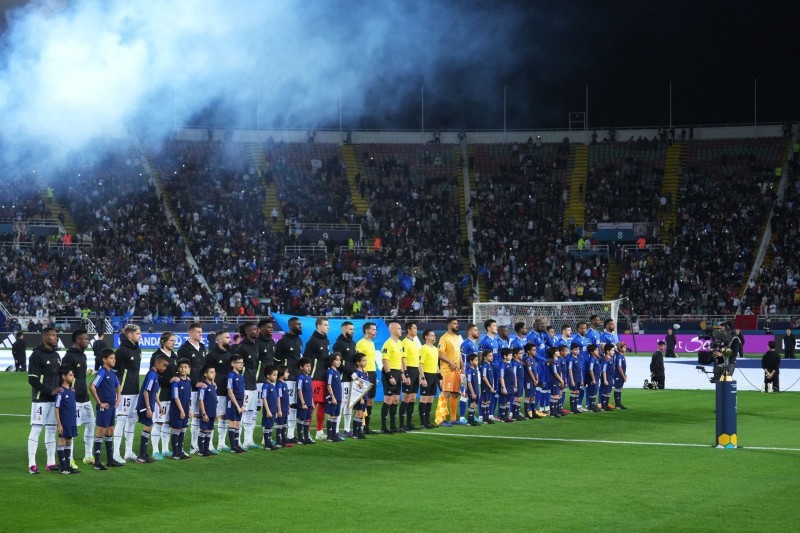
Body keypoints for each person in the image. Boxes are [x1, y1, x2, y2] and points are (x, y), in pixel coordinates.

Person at [27, 326, 62, 475]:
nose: (55, 338)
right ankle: (32, 464)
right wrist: (50, 391)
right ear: (44, 337)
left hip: (54, 400)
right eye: (53, 335)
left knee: (51, 430)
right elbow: (32, 379)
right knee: (36, 429)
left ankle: (51, 462)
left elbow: (59, 377)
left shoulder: (56, 355)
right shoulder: (36, 355)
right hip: (40, 399)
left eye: (56, 335)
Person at [61, 329, 95, 466]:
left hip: (84, 396)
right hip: (73, 398)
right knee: (71, 429)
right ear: (77, 340)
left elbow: (77, 375)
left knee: (91, 424)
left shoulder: (83, 355)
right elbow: (64, 376)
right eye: (85, 339)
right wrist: (69, 393)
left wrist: (85, 373)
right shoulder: (69, 356)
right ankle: (69, 458)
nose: (88, 341)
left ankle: (88, 456)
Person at [112, 323, 142, 464]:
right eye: (138, 333)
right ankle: (115, 453)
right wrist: (117, 392)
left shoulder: (137, 349)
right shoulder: (121, 351)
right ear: (130, 335)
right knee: (121, 421)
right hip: (123, 392)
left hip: (134, 390)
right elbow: (113, 372)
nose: (140, 336)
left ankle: (128, 451)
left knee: (131, 421)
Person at [89, 348, 122, 470]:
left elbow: (118, 385)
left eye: (114, 358)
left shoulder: (112, 372)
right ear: (104, 359)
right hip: (105, 407)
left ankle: (110, 460)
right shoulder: (102, 372)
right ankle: (97, 463)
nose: (114, 360)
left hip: (112, 406)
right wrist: (99, 403)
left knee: (110, 431)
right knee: (101, 431)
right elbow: (92, 386)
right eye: (111, 358)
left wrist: (118, 399)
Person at [178, 322, 207, 455]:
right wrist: (195, 383)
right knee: (190, 416)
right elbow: (183, 370)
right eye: (198, 332)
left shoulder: (202, 347)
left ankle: (196, 444)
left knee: (199, 416)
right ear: (190, 333)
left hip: (202, 386)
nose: (201, 334)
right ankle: (184, 446)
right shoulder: (184, 349)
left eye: (201, 332)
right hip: (190, 387)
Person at [135, 354, 169, 463]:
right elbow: (146, 392)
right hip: (145, 406)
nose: (165, 368)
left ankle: (143, 454)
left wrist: (159, 405)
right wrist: (148, 408)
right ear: (157, 363)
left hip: (149, 405)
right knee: (148, 427)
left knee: (148, 427)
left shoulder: (155, 375)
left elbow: (154, 393)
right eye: (164, 365)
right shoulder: (152, 375)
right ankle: (142, 456)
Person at [274, 317, 303, 442]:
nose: (300, 326)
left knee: (295, 406)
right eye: (298, 324)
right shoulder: (283, 341)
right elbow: (276, 360)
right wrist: (280, 376)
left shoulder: (299, 340)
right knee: (287, 406)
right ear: (291, 326)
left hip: (297, 377)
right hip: (287, 379)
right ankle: (282, 434)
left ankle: (290, 434)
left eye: (300, 324)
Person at [150, 332, 178, 459]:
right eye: (171, 340)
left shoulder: (174, 356)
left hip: (172, 393)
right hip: (161, 392)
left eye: (174, 340)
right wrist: (168, 380)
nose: (174, 343)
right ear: (164, 341)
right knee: (158, 421)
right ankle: (155, 450)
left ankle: (165, 449)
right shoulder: (156, 356)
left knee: (167, 422)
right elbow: (153, 374)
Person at [234, 322, 260, 449]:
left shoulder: (256, 345)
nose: (257, 331)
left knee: (251, 412)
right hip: (244, 385)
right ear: (248, 332)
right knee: (242, 413)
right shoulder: (242, 347)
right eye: (254, 329)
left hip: (254, 384)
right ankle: (237, 441)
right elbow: (236, 367)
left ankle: (248, 441)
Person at [305, 317, 331, 441]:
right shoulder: (312, 341)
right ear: (319, 326)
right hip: (314, 378)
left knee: (323, 405)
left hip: (325, 377)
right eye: (325, 325)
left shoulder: (326, 340)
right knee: (312, 405)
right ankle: (306, 432)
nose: (328, 327)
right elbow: (306, 360)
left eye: (328, 325)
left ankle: (319, 431)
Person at [436, 318, 463, 426]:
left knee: (455, 394)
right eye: (454, 323)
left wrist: (463, 366)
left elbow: (459, 354)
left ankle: (453, 419)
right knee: (446, 393)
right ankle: (440, 419)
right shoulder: (444, 338)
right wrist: (451, 363)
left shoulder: (457, 338)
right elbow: (440, 354)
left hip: (456, 370)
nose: (457, 325)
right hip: (447, 370)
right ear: (449, 325)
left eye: (457, 323)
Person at [208, 330, 231, 452]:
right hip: (215, 391)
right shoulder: (212, 354)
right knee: (213, 416)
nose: (230, 339)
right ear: (219, 340)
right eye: (227, 337)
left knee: (225, 416)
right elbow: (206, 372)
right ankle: (209, 444)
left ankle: (221, 443)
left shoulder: (230, 353)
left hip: (227, 390)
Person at [332, 321, 357, 437]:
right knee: (341, 404)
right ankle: (336, 430)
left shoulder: (353, 343)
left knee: (349, 405)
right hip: (342, 378)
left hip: (351, 378)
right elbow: (337, 363)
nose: (352, 331)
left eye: (353, 329)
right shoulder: (338, 344)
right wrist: (351, 373)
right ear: (344, 330)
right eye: (350, 329)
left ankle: (347, 430)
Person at [380, 321, 404, 433]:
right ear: (392, 330)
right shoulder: (388, 344)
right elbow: (385, 360)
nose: (401, 330)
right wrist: (390, 376)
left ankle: (393, 426)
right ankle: (384, 427)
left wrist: (402, 373)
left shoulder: (400, 343)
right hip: (389, 373)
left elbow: (401, 360)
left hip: (398, 372)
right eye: (399, 328)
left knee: (395, 400)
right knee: (388, 400)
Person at [355, 321, 379, 434]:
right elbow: (358, 361)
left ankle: (366, 427)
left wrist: (374, 375)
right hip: (364, 374)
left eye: (375, 329)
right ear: (367, 330)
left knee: (370, 400)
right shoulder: (361, 343)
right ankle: (360, 425)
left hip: (372, 373)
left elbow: (371, 360)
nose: (375, 331)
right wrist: (363, 374)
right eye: (373, 329)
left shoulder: (371, 343)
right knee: (362, 401)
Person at [54, 366, 79, 474]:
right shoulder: (61, 391)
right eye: (70, 375)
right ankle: (63, 467)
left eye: (73, 375)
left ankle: (68, 466)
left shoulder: (72, 390)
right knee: (62, 440)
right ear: (64, 376)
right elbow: (56, 408)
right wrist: (59, 424)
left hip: (72, 421)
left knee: (69, 440)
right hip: (64, 422)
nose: (73, 377)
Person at [169, 359, 192, 460]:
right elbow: (175, 397)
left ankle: (180, 451)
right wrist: (182, 410)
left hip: (186, 409)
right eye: (181, 367)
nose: (183, 369)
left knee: (183, 429)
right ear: (178, 368)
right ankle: (175, 453)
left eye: (185, 367)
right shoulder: (176, 381)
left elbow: (189, 397)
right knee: (176, 429)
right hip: (177, 410)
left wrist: (189, 409)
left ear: (189, 369)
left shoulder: (189, 381)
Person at [400, 321, 422, 431]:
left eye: (416, 328)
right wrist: (406, 374)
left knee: (413, 398)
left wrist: (420, 374)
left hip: (415, 371)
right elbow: (403, 359)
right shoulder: (404, 342)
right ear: (409, 330)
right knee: (406, 397)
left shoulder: (415, 342)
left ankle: (409, 423)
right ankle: (401, 424)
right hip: (408, 370)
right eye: (414, 328)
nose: (416, 330)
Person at [225, 354, 247, 454]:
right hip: (233, 402)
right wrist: (238, 406)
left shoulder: (241, 376)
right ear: (233, 364)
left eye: (242, 363)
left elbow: (244, 391)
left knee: (238, 423)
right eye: (239, 363)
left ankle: (237, 445)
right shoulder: (231, 375)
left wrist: (243, 405)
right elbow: (230, 391)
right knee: (233, 422)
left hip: (240, 403)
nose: (241, 365)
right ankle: (233, 447)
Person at [418, 329, 439, 429]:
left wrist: (439, 377)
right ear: (426, 337)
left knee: (430, 399)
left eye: (434, 335)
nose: (434, 337)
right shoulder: (423, 348)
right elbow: (420, 364)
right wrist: (422, 378)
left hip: (434, 376)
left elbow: (436, 364)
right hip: (426, 375)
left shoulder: (435, 349)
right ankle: (422, 422)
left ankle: (427, 421)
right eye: (432, 335)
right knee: (424, 398)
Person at [197, 365, 218, 456]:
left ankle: (206, 450)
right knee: (203, 430)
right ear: (205, 374)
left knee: (209, 431)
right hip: (206, 413)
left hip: (212, 413)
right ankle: (201, 451)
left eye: (214, 372)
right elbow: (201, 400)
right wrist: (204, 414)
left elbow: (215, 401)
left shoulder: (213, 386)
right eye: (211, 372)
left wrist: (216, 413)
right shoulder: (203, 386)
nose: (214, 374)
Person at [296, 357, 315, 445]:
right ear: (301, 367)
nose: (309, 368)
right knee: (301, 419)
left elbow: (310, 391)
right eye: (306, 366)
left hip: (309, 403)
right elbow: (299, 390)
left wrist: (312, 402)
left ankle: (307, 438)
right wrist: (303, 403)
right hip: (303, 404)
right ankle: (300, 439)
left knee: (307, 420)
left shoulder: (309, 377)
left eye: (310, 366)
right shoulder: (300, 377)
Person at [260, 364, 279, 450]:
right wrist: (267, 411)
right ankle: (267, 445)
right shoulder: (266, 385)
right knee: (267, 426)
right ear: (268, 375)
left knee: (270, 426)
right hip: (268, 411)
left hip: (273, 410)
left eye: (276, 375)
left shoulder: (273, 385)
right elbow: (264, 398)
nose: (276, 377)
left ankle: (269, 443)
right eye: (274, 375)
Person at [325, 353, 344, 442]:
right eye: (337, 360)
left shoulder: (338, 372)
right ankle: (329, 436)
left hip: (338, 398)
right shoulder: (330, 372)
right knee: (331, 415)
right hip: (333, 398)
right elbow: (328, 385)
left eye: (340, 360)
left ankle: (334, 435)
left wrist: (340, 398)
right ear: (332, 361)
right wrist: (332, 397)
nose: (339, 362)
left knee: (335, 416)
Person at [351, 353, 370, 439]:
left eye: (366, 360)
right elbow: (357, 386)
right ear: (358, 362)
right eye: (363, 361)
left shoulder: (364, 373)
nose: (365, 362)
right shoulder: (356, 373)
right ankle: (355, 433)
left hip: (365, 396)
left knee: (362, 414)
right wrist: (361, 398)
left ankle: (359, 432)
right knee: (358, 413)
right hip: (359, 397)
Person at [275, 366, 292, 448]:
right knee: (280, 424)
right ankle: (278, 442)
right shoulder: (279, 384)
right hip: (281, 409)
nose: (288, 374)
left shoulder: (284, 384)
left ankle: (284, 440)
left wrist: (288, 408)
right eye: (287, 372)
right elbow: (278, 397)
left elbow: (286, 397)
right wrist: (279, 410)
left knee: (284, 424)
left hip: (285, 408)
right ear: (282, 373)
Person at [498, 348, 515, 422]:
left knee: (508, 402)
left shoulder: (509, 364)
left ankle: (506, 416)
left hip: (510, 386)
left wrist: (515, 385)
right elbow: (501, 377)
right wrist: (503, 387)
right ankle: (502, 417)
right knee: (504, 401)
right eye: (510, 355)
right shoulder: (502, 365)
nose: (511, 356)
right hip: (506, 386)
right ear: (505, 356)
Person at [566, 342, 583, 415]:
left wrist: (581, 379)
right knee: (573, 392)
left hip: (579, 378)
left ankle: (575, 408)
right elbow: (570, 370)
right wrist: (572, 380)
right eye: (575, 349)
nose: (577, 351)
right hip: (574, 378)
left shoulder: (579, 358)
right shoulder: (571, 359)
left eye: (578, 349)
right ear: (571, 350)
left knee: (577, 392)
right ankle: (572, 408)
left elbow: (580, 370)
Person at [479, 350, 495, 424]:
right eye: (489, 356)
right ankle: (484, 418)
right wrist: (490, 387)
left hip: (490, 387)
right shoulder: (484, 366)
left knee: (488, 401)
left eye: (492, 355)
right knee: (484, 401)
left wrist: (492, 386)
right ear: (485, 357)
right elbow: (484, 377)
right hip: (486, 387)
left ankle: (487, 418)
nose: (491, 357)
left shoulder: (490, 365)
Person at [464, 353, 480, 426]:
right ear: (471, 361)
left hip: (476, 390)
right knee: (472, 404)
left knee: (474, 405)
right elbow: (469, 382)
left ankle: (472, 419)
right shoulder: (469, 371)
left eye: (477, 360)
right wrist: (472, 392)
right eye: (476, 360)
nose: (477, 361)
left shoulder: (475, 370)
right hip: (472, 391)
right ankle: (469, 421)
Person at [585, 344, 602, 412]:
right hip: (593, 379)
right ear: (592, 352)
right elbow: (590, 370)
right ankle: (591, 406)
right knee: (592, 392)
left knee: (594, 392)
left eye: (598, 350)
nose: (598, 351)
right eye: (596, 350)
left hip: (597, 378)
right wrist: (593, 379)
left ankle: (593, 405)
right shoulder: (592, 360)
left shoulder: (596, 359)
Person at [600, 344, 615, 411]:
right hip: (606, 378)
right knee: (605, 391)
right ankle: (603, 406)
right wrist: (605, 379)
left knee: (608, 392)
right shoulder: (606, 360)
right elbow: (604, 370)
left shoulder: (610, 359)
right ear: (608, 351)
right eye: (612, 350)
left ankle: (606, 405)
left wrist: (612, 379)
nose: (613, 352)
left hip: (610, 377)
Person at [614, 342, 629, 409]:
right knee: (617, 388)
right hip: (618, 375)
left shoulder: (622, 356)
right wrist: (623, 376)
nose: (625, 349)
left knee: (620, 389)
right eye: (624, 347)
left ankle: (619, 403)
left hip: (621, 375)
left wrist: (624, 375)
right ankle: (617, 404)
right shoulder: (619, 357)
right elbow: (619, 367)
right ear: (620, 348)